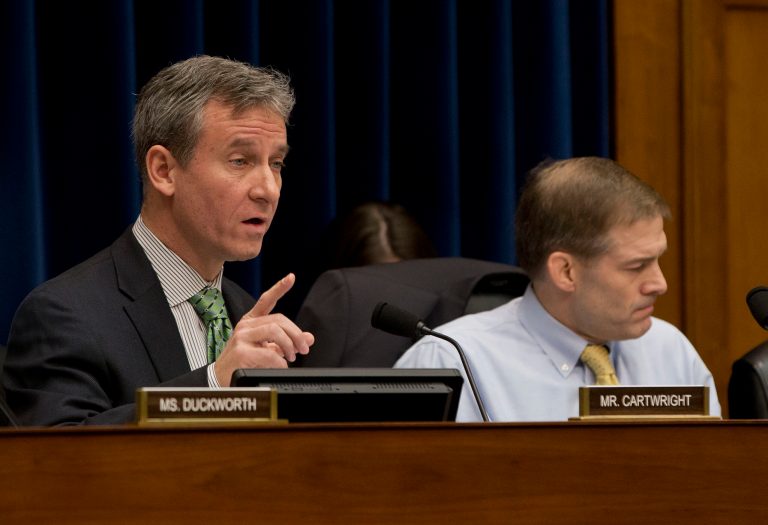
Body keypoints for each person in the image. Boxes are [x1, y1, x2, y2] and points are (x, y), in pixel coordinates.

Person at [2, 56, 314, 426]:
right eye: (240, 160)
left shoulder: (244, 313)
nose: (268, 189)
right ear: (163, 170)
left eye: (276, 163)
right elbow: (58, 462)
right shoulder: (62, 316)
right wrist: (213, 386)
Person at [395, 157, 721, 422]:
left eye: (658, 260)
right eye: (636, 267)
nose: (659, 284)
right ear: (565, 271)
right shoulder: (454, 363)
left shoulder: (670, 351)